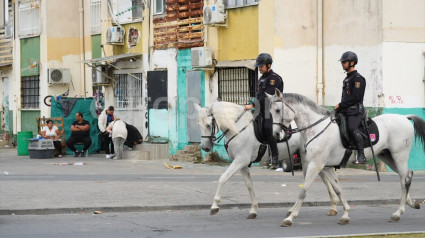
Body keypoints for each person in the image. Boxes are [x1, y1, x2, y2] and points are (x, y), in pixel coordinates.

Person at [244, 53, 284, 169]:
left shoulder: (274, 78)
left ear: (269, 65)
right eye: (258, 66)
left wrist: (252, 105)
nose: (259, 68)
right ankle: (254, 155)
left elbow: (268, 97)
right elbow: (259, 94)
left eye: (261, 66)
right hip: (260, 108)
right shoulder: (262, 78)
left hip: (271, 109)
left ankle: (275, 157)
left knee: (267, 128)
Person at [334, 51, 367, 164]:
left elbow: (356, 97)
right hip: (346, 109)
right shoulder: (347, 79)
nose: (342, 64)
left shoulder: (358, 79)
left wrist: (341, 105)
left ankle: (361, 155)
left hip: (355, 111)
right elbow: (345, 97)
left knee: (352, 127)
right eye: (342, 62)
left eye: (344, 62)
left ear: (352, 63)